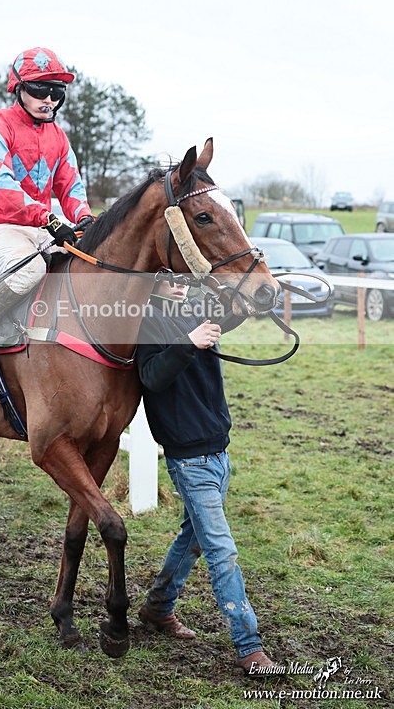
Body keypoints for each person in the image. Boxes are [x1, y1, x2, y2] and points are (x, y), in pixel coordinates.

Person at [135, 276, 276, 676]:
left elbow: (228, 315)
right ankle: (249, 646)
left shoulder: (193, 310)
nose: (179, 284)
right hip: (190, 460)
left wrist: (249, 300)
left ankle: (158, 607)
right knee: (221, 550)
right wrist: (188, 343)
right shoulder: (144, 319)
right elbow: (151, 377)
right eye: (169, 277)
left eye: (183, 277)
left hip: (218, 451)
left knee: (194, 537)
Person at [0, 46, 94, 376]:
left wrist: (84, 216)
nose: (48, 100)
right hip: (1, 228)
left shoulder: (58, 137)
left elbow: (70, 184)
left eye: (56, 92)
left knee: (83, 266)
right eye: (39, 90)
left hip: (40, 230)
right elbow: (1, 185)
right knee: (29, 271)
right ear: (18, 89)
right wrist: (48, 218)